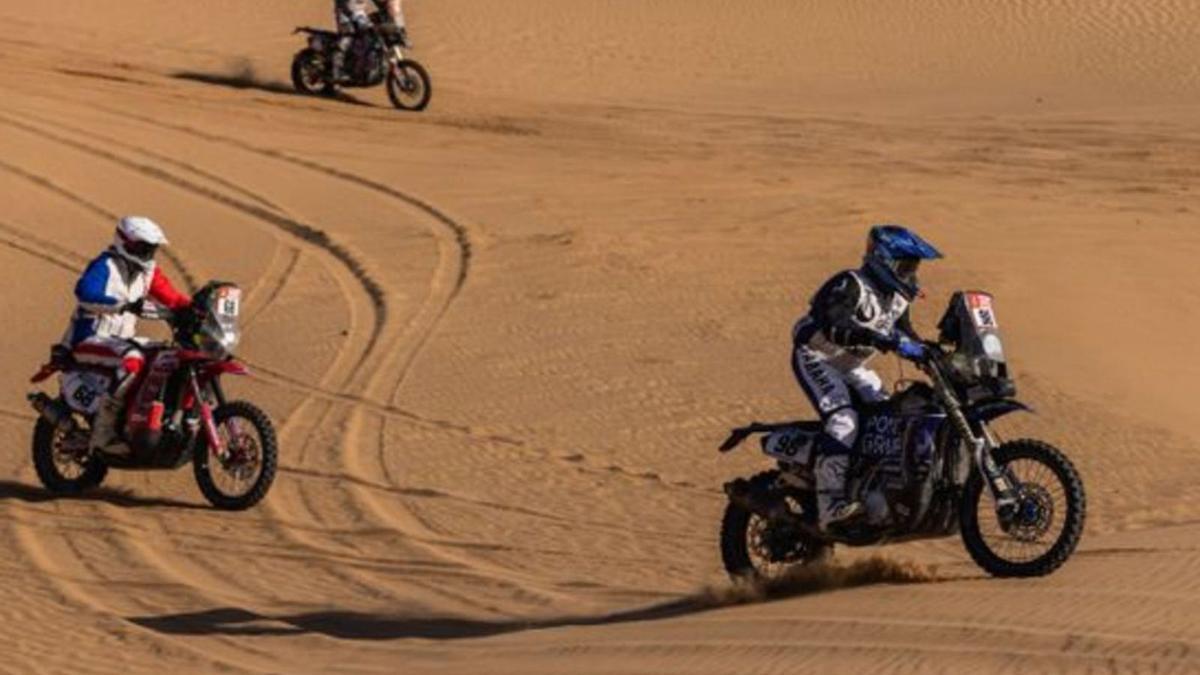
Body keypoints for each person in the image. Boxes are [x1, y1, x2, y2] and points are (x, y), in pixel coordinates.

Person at [790, 225, 943, 530]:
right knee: (843, 420)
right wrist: (879, 339)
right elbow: (833, 323)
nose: (911, 274)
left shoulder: (898, 298)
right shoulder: (850, 284)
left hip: (850, 364)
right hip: (818, 356)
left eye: (913, 267)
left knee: (889, 418)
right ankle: (830, 505)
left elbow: (904, 333)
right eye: (905, 265)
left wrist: (931, 353)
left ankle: (870, 485)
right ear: (882, 259)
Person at [62, 217, 192, 455]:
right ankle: (103, 432)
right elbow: (85, 292)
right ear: (124, 242)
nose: (147, 253)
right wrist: (122, 304)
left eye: (151, 248)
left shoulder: (147, 272)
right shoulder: (105, 265)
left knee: (168, 356)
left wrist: (197, 309)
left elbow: (172, 298)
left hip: (120, 342)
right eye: (142, 247)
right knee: (133, 360)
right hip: (89, 339)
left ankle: (149, 421)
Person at [332, 0, 410, 82]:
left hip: (360, 15)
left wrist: (390, 8)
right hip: (347, 17)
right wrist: (364, 22)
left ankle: (380, 62)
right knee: (348, 39)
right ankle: (337, 71)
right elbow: (349, 7)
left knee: (378, 32)